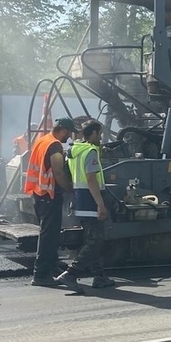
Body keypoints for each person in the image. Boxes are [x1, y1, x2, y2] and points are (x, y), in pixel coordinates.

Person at [57, 119, 116, 289]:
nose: (101, 137)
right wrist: (100, 204)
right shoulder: (90, 151)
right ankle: (70, 274)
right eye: (100, 134)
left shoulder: (74, 150)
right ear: (95, 133)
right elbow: (91, 179)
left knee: (92, 239)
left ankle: (99, 276)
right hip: (91, 201)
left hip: (80, 200)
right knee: (95, 241)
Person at [24, 117, 79, 288]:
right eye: (69, 134)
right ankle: (40, 274)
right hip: (49, 195)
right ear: (63, 130)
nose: (69, 137)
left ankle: (51, 265)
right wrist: (71, 190)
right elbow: (58, 173)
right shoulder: (54, 146)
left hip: (39, 193)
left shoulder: (42, 140)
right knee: (48, 235)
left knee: (50, 233)